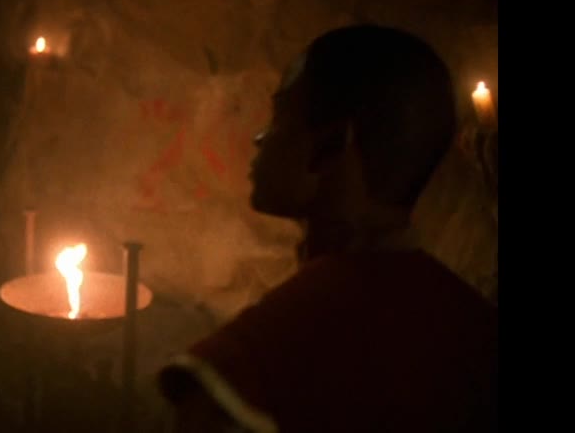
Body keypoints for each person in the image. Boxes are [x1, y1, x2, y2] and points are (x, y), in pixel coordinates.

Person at [158, 25, 497, 433]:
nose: (260, 138)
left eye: (280, 117)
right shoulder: (478, 331)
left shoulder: (251, 369)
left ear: (332, 144)